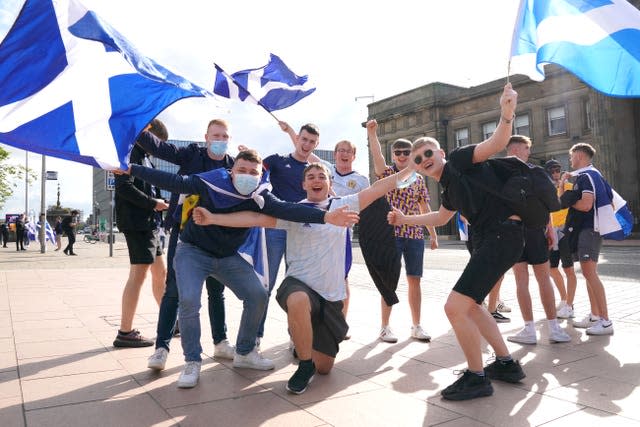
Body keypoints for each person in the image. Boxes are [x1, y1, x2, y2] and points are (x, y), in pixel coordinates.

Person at [122, 148, 358, 388]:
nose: (247, 175)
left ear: (259, 175)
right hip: (193, 251)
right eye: (242, 170)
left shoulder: (260, 194)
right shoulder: (211, 182)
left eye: (253, 172)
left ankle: (245, 352)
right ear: (231, 171)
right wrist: (130, 168)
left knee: (257, 295)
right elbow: (174, 181)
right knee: (190, 300)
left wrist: (326, 216)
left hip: (227, 257)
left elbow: (288, 210)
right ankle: (192, 361)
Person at [192, 161, 414, 394]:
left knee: (325, 368)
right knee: (297, 300)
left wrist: (411, 167)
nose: (317, 180)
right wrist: (213, 218)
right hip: (299, 284)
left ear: (329, 184)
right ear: (303, 184)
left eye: (322, 176)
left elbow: (379, 187)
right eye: (311, 177)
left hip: (330, 296)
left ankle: (306, 343)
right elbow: (255, 218)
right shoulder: (293, 211)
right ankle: (304, 363)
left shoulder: (345, 204)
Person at [387, 83, 526, 401]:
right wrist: (405, 219)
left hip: (502, 236)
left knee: (454, 307)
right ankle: (505, 364)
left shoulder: (461, 161)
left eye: (427, 153)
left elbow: (496, 142)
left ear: (441, 154)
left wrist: (506, 114)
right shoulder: (449, 188)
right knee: (473, 306)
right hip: (495, 239)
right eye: (417, 158)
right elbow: (439, 218)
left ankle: (477, 377)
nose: (423, 158)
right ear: (417, 168)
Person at [136, 118, 236, 370]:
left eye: (224, 136)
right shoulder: (192, 155)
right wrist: (136, 125)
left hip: (216, 235)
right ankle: (161, 348)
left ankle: (221, 342)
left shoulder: (233, 166)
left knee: (216, 290)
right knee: (174, 290)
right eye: (216, 135)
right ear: (206, 137)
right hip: (184, 233)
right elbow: (161, 149)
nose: (220, 140)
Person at [367, 120, 438, 343]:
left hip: (415, 235)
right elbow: (377, 158)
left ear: (412, 154)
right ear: (393, 154)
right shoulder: (387, 174)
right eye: (397, 152)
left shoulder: (419, 179)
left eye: (405, 152)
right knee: (389, 281)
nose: (401, 155)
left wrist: (433, 234)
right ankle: (385, 326)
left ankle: (416, 325)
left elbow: (425, 207)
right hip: (390, 235)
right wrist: (373, 134)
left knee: (415, 280)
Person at [504, 136, 571, 345]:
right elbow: (552, 203)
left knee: (521, 280)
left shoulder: (499, 173)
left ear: (508, 150)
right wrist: (549, 228)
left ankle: (529, 329)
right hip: (535, 230)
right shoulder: (536, 171)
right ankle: (553, 328)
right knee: (543, 278)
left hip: (512, 232)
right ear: (522, 149)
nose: (528, 153)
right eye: (527, 149)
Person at [259, 123, 321, 345]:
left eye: (312, 142)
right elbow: (256, 173)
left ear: (316, 144)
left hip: (302, 233)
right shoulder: (277, 160)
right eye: (304, 139)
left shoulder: (313, 172)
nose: (306, 144)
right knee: (265, 284)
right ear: (298, 139)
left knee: (299, 288)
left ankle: (297, 338)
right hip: (275, 229)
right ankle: (255, 338)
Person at [113, 120, 169, 348]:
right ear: (147, 134)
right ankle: (125, 331)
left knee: (160, 272)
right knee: (139, 274)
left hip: (149, 222)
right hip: (138, 222)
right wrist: (152, 203)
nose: (158, 148)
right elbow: (124, 187)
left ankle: (168, 321)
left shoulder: (143, 156)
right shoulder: (128, 154)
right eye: (157, 143)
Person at [559, 143, 613, 335]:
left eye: (571, 156)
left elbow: (585, 205)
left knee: (590, 274)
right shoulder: (591, 175)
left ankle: (605, 322)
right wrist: (564, 188)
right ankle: (595, 316)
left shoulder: (586, 176)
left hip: (588, 229)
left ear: (580, 156)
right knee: (589, 274)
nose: (570, 160)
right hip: (590, 230)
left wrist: (568, 197)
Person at [545, 159, 577, 319]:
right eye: (552, 171)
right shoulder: (546, 189)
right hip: (551, 231)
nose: (556, 174)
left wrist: (564, 184)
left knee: (568, 268)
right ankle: (564, 299)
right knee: (551, 268)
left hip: (566, 231)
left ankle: (569, 304)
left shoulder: (569, 187)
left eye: (558, 170)